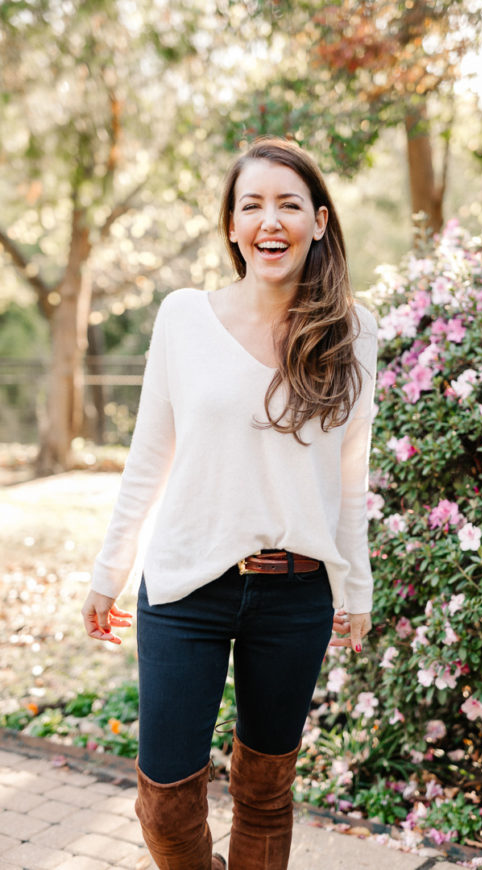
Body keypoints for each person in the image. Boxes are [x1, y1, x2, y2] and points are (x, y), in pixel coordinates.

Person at [81, 136, 378, 870]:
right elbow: (150, 455)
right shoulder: (184, 316)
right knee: (166, 800)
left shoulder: (354, 330)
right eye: (252, 205)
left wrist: (355, 587)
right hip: (187, 585)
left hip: (296, 594)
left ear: (319, 220)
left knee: (267, 795)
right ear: (233, 225)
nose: (269, 220)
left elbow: (350, 473)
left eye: (287, 204)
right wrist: (108, 569)